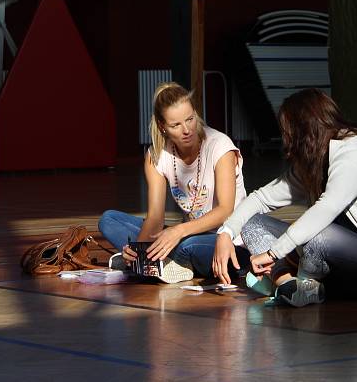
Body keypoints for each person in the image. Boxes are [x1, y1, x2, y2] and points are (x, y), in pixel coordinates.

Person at [212, 88, 357, 307]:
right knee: (252, 223)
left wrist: (273, 252)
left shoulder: (356, 154)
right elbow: (261, 198)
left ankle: (300, 282)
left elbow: (325, 209)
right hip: (339, 261)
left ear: (303, 129)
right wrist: (226, 232)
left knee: (314, 234)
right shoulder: (316, 161)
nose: (285, 139)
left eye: (287, 131)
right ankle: (288, 284)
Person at [98, 82, 249, 283]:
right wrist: (137, 250)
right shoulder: (156, 156)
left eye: (190, 119)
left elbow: (225, 211)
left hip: (228, 240)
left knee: (189, 246)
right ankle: (150, 263)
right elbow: (155, 219)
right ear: (162, 126)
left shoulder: (220, 146)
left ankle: (152, 265)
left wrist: (176, 232)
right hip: (186, 235)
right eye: (176, 125)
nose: (186, 130)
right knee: (109, 220)